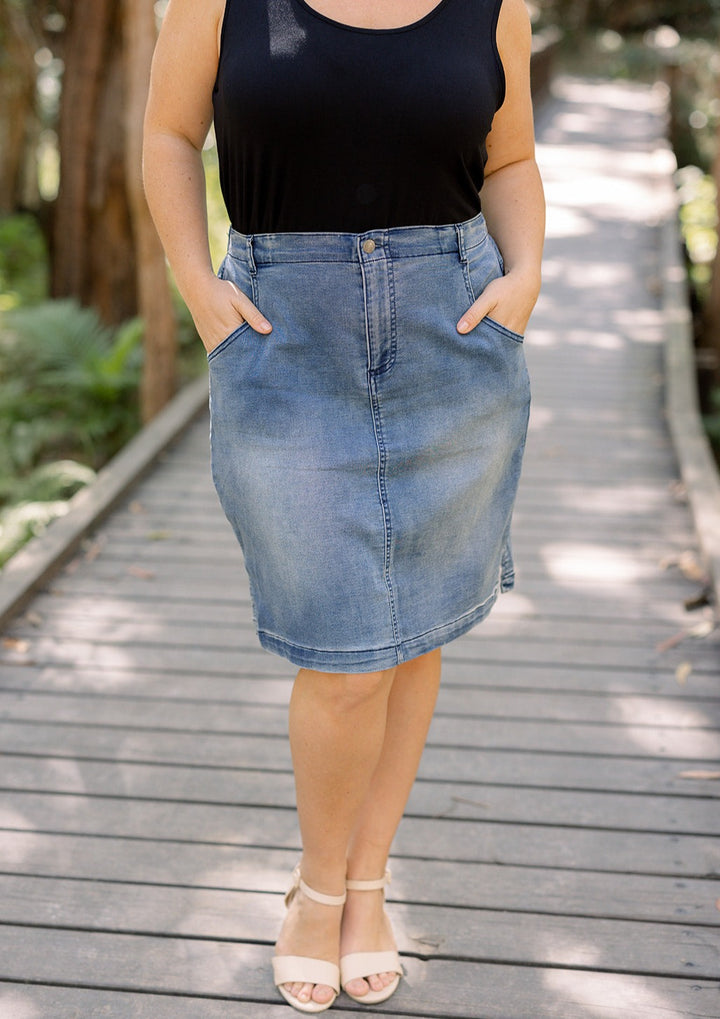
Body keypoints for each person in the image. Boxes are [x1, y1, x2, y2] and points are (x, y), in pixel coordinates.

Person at [143, 0, 544, 1011]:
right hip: (285, 337)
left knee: (412, 633)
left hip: (451, 330)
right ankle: (317, 888)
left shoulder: (495, 4)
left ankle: (366, 885)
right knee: (343, 654)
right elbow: (166, 132)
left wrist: (527, 274)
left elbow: (511, 158)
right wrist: (196, 285)